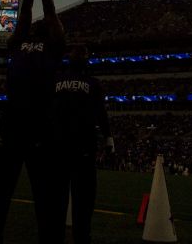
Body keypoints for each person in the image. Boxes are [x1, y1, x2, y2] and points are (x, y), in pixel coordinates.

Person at [0, 0, 66, 244]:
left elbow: (51, 13)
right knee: (0, 192)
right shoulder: (18, 41)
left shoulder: (54, 47)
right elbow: (27, 12)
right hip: (13, 123)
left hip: (41, 126)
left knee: (44, 193)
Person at [49, 43, 113, 244]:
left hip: (58, 147)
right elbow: (101, 114)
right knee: (83, 201)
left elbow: (46, 112)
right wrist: (109, 138)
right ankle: (82, 238)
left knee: (57, 199)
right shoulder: (93, 84)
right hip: (84, 148)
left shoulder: (55, 81)